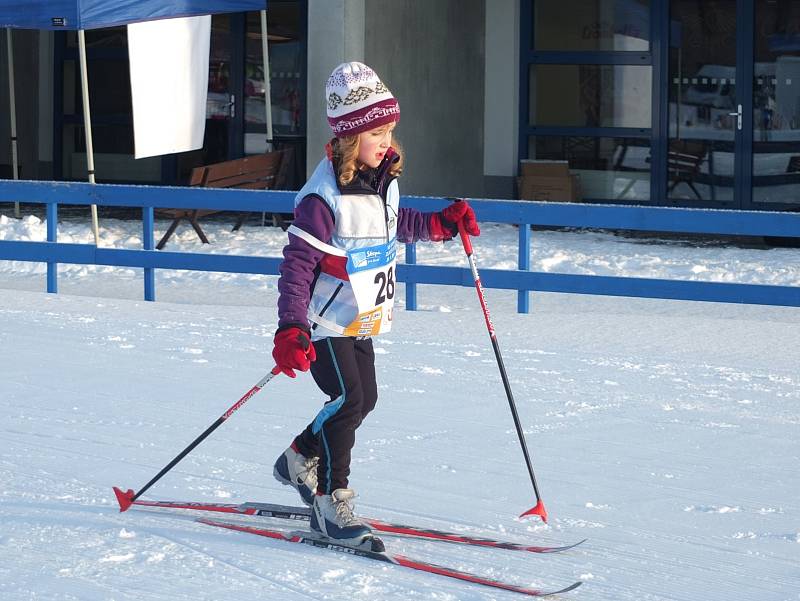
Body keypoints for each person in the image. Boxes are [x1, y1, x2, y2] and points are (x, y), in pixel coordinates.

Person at [271, 61, 480, 547]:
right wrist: (290, 328)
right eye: (375, 132)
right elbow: (298, 265)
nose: (386, 140)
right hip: (323, 322)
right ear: (348, 137)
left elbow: (393, 225)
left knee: (364, 399)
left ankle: (298, 456)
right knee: (348, 401)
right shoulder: (322, 198)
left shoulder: (381, 178)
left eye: (389, 129)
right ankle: (329, 502)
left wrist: (439, 225)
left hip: (359, 317)